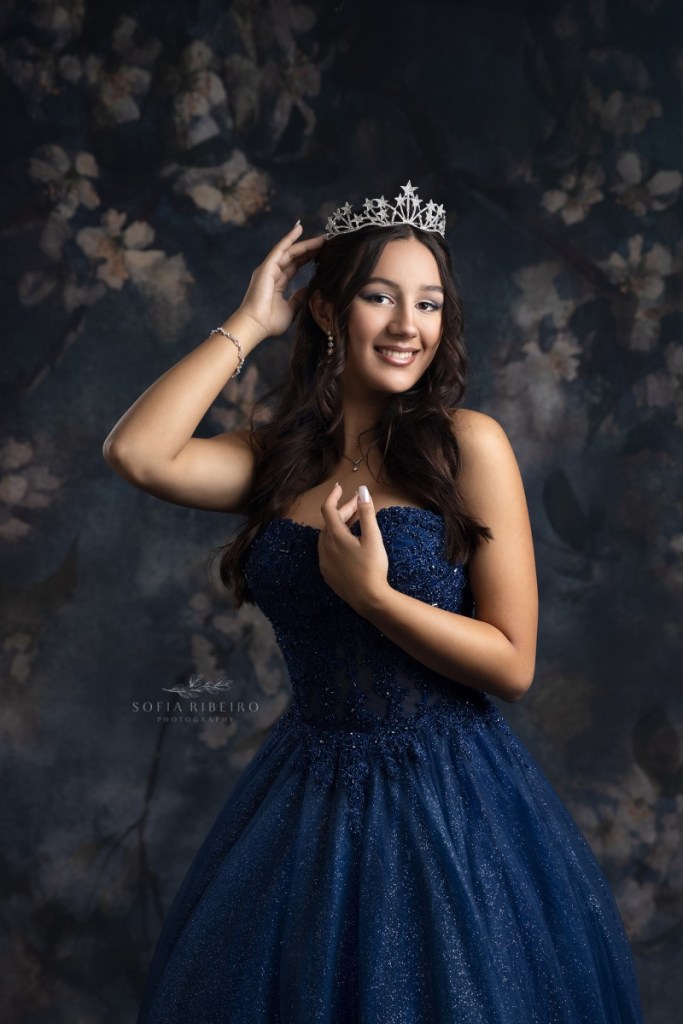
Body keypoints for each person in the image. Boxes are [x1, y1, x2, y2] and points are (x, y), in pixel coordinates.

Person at [103, 182, 645, 1023]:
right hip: (305, 800)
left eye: (428, 303)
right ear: (327, 308)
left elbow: (513, 663)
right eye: (379, 296)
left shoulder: (468, 445)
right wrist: (249, 323)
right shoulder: (275, 461)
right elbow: (137, 453)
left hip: (453, 803)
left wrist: (375, 599)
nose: (407, 325)